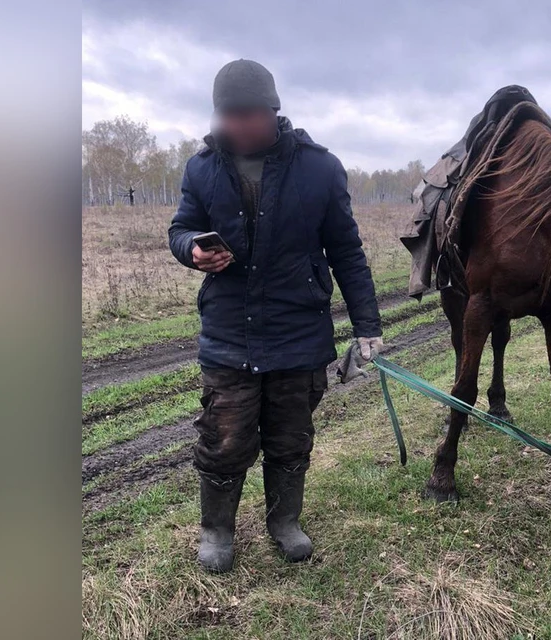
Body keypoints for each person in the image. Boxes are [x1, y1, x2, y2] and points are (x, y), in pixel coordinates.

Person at [168, 59, 383, 571]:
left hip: (299, 331)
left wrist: (368, 326)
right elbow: (181, 228)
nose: (237, 125)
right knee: (224, 440)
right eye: (227, 114)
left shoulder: (320, 168)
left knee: (291, 439)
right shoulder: (201, 168)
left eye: (248, 114)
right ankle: (216, 530)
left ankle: (284, 522)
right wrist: (192, 250)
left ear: (273, 111)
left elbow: (346, 252)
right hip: (228, 333)